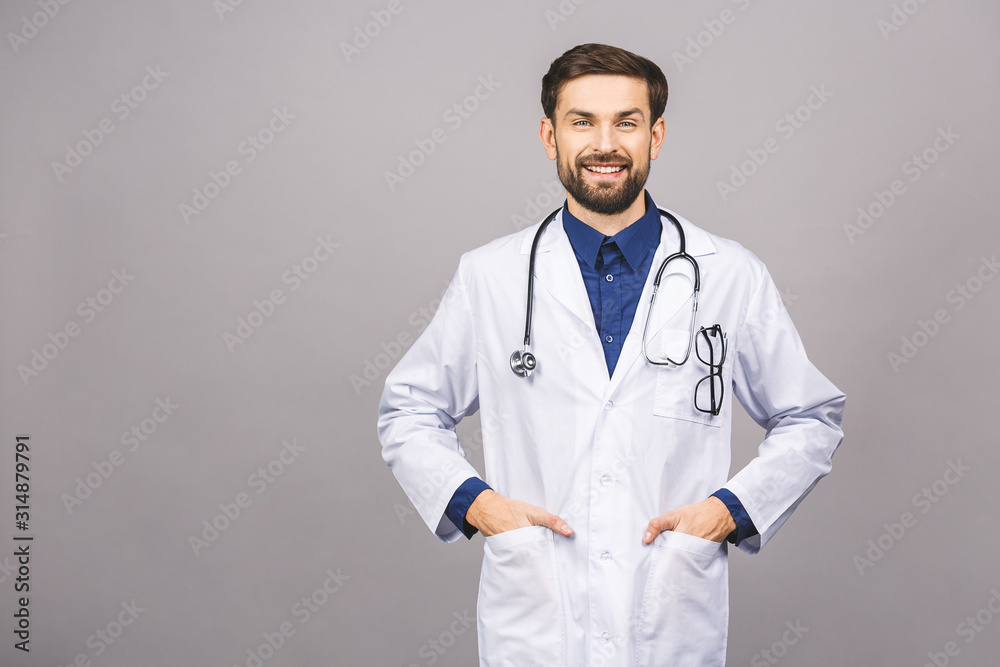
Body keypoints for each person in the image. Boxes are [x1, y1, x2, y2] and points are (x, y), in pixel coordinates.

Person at [377, 42, 846, 667]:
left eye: (626, 122)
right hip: (536, 613)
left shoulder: (729, 273)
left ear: (655, 136)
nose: (606, 143)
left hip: (671, 609)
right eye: (582, 122)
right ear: (550, 136)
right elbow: (409, 412)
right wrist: (478, 505)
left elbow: (810, 418)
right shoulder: (489, 276)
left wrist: (728, 513)